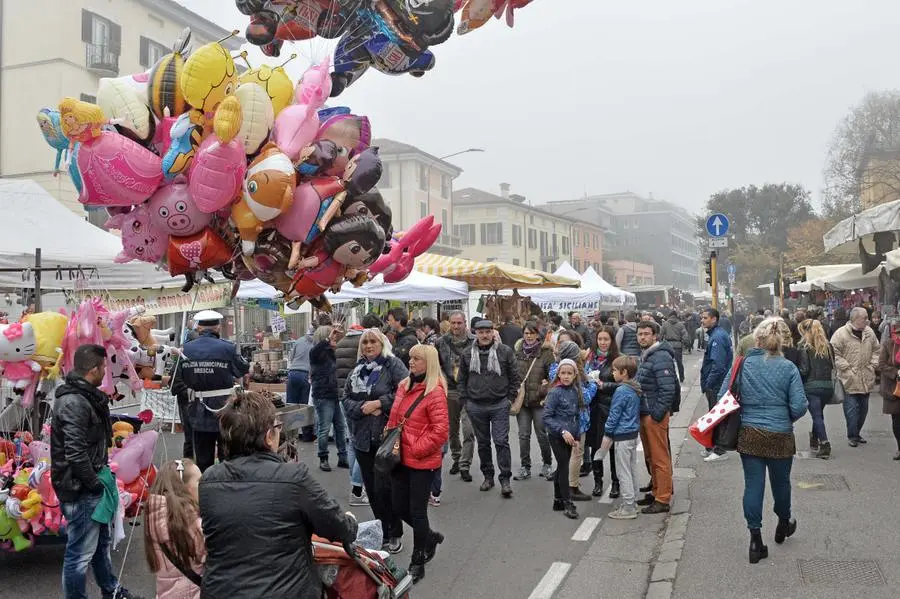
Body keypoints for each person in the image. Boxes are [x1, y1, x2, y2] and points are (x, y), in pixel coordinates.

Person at [200, 390, 358, 598]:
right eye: (277, 428)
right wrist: (350, 522)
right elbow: (337, 527)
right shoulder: (293, 477)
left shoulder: (209, 480)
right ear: (268, 437)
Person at [52, 344, 142, 599]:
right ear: (93, 369)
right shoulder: (74, 402)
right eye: (103, 366)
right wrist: (93, 483)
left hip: (91, 482)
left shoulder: (86, 396)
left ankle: (111, 590)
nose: (106, 370)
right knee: (79, 555)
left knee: (101, 545)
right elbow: (75, 452)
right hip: (80, 488)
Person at [724, 317, 807, 564]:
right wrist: (785, 417)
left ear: (756, 340)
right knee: (781, 483)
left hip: (749, 432)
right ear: (782, 342)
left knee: (753, 485)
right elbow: (799, 405)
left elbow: (724, 396)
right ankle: (783, 521)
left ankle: (755, 540)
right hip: (780, 434)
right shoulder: (789, 368)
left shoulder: (743, 365)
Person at [387, 344, 449, 583]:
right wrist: (388, 436)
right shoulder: (404, 386)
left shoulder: (434, 391)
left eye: (417, 359)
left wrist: (416, 448)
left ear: (429, 363)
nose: (411, 362)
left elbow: (440, 431)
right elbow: (394, 417)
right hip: (399, 457)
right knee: (398, 506)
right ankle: (430, 537)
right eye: (410, 357)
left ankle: (418, 559)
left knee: (417, 510)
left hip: (422, 462)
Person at [343, 328, 408, 553]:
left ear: (381, 343)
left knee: (387, 488)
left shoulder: (393, 365)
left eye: (373, 341)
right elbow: (346, 399)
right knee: (372, 490)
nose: (368, 346)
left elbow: (405, 393)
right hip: (362, 438)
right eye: (365, 342)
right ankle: (382, 530)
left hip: (385, 437)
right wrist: (364, 408)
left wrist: (380, 403)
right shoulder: (357, 370)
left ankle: (395, 532)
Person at [170, 310, 250, 472]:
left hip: (198, 410)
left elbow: (174, 380)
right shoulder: (228, 348)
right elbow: (242, 369)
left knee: (203, 460)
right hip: (225, 410)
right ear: (218, 328)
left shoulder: (185, 349)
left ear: (198, 328)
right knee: (227, 458)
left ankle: (205, 490)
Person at [458, 319, 521, 498]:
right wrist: (465, 401)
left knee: (501, 441)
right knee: (483, 443)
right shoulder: (467, 353)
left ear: (493, 332)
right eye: (481, 332)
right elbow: (461, 379)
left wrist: (510, 398)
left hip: (499, 403)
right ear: (475, 333)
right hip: (476, 405)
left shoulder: (505, 351)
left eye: (488, 331)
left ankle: (505, 479)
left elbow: (514, 376)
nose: (484, 335)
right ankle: (488, 476)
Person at [336, 313, 384, 506]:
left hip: (345, 398)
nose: (369, 345)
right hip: (362, 403)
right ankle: (357, 487)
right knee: (361, 444)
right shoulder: (367, 350)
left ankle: (356, 485)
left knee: (352, 441)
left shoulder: (339, 344)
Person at [144, 459, 205, 599]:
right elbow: (209, 552)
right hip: (191, 593)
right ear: (186, 488)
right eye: (199, 481)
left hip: (167, 592)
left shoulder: (156, 516)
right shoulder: (190, 522)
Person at [635, 321, 677, 514]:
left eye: (646, 334)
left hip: (654, 414)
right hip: (646, 412)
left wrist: (657, 414)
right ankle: (656, 491)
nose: (642, 337)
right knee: (651, 456)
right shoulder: (648, 355)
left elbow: (667, 389)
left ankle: (662, 498)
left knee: (660, 458)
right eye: (640, 334)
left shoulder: (660, 356)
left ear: (655, 336)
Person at [547, 341, 597, 501]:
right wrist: (594, 384)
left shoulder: (556, 369)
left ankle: (562, 490)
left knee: (565, 458)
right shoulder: (574, 372)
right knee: (576, 454)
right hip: (576, 422)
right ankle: (572, 487)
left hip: (559, 424)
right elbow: (585, 398)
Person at [435, 311, 477, 482]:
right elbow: (436, 367)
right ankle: (456, 457)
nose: (456, 326)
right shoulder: (441, 342)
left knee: (468, 430)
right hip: (450, 389)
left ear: (465, 323)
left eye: (459, 323)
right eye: (453, 323)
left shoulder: (475, 341)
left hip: (469, 391)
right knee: (452, 428)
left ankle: (465, 464)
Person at [600, 356, 642, 520]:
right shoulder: (635, 388)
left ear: (624, 373)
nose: (613, 373)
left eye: (615, 370)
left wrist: (608, 433)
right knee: (631, 469)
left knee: (622, 471)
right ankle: (634, 501)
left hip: (622, 435)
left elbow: (614, 414)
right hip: (632, 433)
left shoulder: (621, 390)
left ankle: (628, 507)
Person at [831, 306, 880, 447]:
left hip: (866, 377)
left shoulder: (869, 332)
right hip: (849, 379)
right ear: (855, 319)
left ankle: (857, 433)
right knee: (851, 409)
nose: (867, 320)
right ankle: (852, 435)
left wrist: (873, 364)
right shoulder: (840, 334)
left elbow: (877, 349)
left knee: (863, 409)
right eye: (864, 318)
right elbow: (834, 353)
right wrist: (846, 368)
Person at [542, 358, 584, 519]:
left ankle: (557, 499)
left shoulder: (574, 391)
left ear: (574, 375)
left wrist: (577, 436)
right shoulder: (555, 392)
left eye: (569, 373)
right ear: (558, 374)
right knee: (564, 466)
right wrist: (562, 431)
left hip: (571, 436)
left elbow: (576, 415)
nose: (566, 376)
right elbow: (547, 417)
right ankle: (567, 502)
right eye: (563, 373)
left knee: (561, 466)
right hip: (557, 435)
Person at [512, 323, 554, 481]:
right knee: (523, 435)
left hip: (539, 401)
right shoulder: (517, 352)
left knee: (542, 434)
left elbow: (553, 377)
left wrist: (544, 389)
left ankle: (547, 464)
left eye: (532, 333)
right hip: (522, 401)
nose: (529, 336)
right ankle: (525, 467)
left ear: (538, 335)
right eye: (526, 333)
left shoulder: (546, 353)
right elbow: (512, 375)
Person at [586, 326, 621, 498]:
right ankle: (597, 482)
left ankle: (616, 483)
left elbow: (624, 385)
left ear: (612, 341)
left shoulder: (618, 360)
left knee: (613, 449)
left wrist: (603, 385)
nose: (602, 342)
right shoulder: (590, 360)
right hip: (593, 410)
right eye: (600, 339)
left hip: (611, 410)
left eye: (606, 339)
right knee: (595, 447)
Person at [309, 325, 349, 471]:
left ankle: (343, 458)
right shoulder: (317, 353)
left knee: (340, 427)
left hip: (334, 395)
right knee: (324, 428)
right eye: (332, 336)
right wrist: (327, 340)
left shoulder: (332, 353)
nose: (334, 339)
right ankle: (323, 458)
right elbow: (316, 350)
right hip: (323, 395)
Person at [797, 319, 835, 459]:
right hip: (827, 386)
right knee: (818, 414)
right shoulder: (828, 346)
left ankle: (824, 443)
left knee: (817, 415)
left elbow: (805, 370)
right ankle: (814, 437)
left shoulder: (804, 347)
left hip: (812, 387)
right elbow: (832, 365)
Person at [700, 308, 733, 461]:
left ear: (714, 319)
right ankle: (713, 446)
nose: (702, 320)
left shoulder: (717, 338)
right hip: (717, 383)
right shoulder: (716, 335)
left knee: (716, 416)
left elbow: (718, 366)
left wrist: (708, 383)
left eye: (705, 318)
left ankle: (719, 449)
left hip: (717, 384)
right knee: (715, 415)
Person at [878, 319, 900, 461]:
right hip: (893, 388)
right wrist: (896, 372)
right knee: (897, 420)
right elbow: (881, 364)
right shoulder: (888, 345)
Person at [286, 329, 314, 442]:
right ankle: (307, 436)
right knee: (305, 407)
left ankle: (289, 436)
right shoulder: (317, 343)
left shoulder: (298, 341)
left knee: (290, 406)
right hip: (306, 375)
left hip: (293, 374)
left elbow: (291, 358)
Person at [660, 310, 689, 383]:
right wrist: (686, 344)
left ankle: (669, 377)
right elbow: (685, 335)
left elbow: (660, 335)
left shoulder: (665, 324)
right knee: (679, 363)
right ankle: (681, 378)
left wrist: (660, 343)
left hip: (667, 345)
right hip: (678, 345)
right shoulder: (680, 324)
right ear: (676, 316)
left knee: (668, 362)